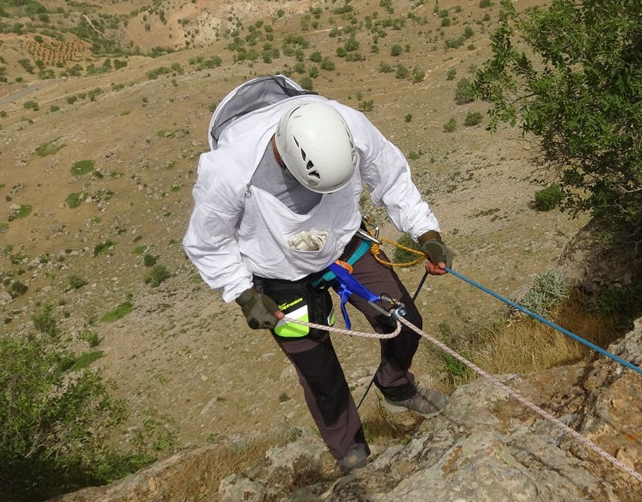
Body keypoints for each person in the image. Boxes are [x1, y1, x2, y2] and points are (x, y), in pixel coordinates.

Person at [182, 75, 453, 473]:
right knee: (318, 370)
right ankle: (349, 450)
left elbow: (392, 178)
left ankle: (395, 385)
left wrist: (427, 232)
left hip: (345, 244)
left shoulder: (350, 126)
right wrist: (244, 295)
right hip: (276, 274)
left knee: (405, 322)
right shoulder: (229, 169)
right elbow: (207, 242)